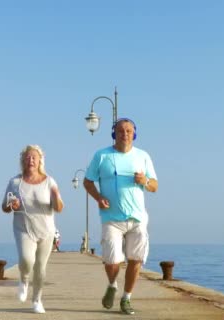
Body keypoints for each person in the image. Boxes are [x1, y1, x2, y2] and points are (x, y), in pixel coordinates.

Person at [83, 118, 158, 315]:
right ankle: (113, 284)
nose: (125, 134)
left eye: (128, 131)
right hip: (111, 219)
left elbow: (155, 186)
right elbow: (87, 182)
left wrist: (145, 180)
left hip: (137, 218)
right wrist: (98, 198)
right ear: (113, 134)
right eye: (120, 131)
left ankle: (126, 298)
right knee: (112, 261)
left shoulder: (143, 156)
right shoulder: (102, 155)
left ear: (134, 134)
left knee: (136, 259)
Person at [1, 145, 64, 314]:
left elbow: (59, 208)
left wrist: (56, 195)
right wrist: (11, 205)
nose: (31, 160)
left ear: (40, 161)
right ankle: (24, 279)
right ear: (22, 161)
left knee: (41, 268)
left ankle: (37, 300)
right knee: (26, 260)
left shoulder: (50, 181)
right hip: (23, 228)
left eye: (34, 158)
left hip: (46, 230)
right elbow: (4, 208)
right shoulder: (15, 182)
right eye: (27, 158)